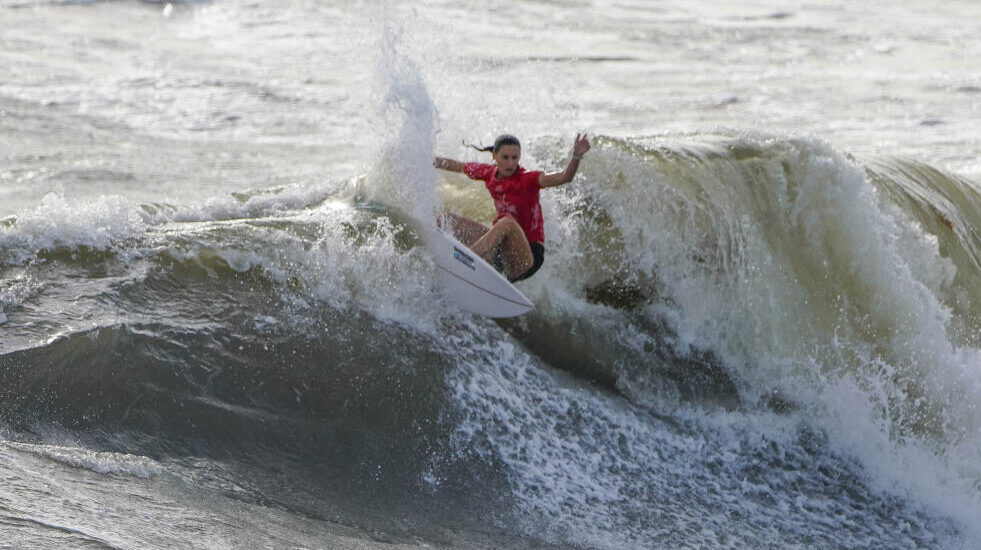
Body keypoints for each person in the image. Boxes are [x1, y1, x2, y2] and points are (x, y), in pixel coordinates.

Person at [434, 133, 591, 282]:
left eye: (514, 158)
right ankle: (436, 258)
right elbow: (457, 166)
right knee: (446, 220)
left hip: (527, 257)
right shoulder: (488, 173)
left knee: (507, 222)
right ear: (494, 156)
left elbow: (564, 177)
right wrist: (427, 158)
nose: (510, 163)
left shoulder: (528, 179)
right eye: (505, 157)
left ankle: (466, 259)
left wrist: (576, 156)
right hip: (501, 252)